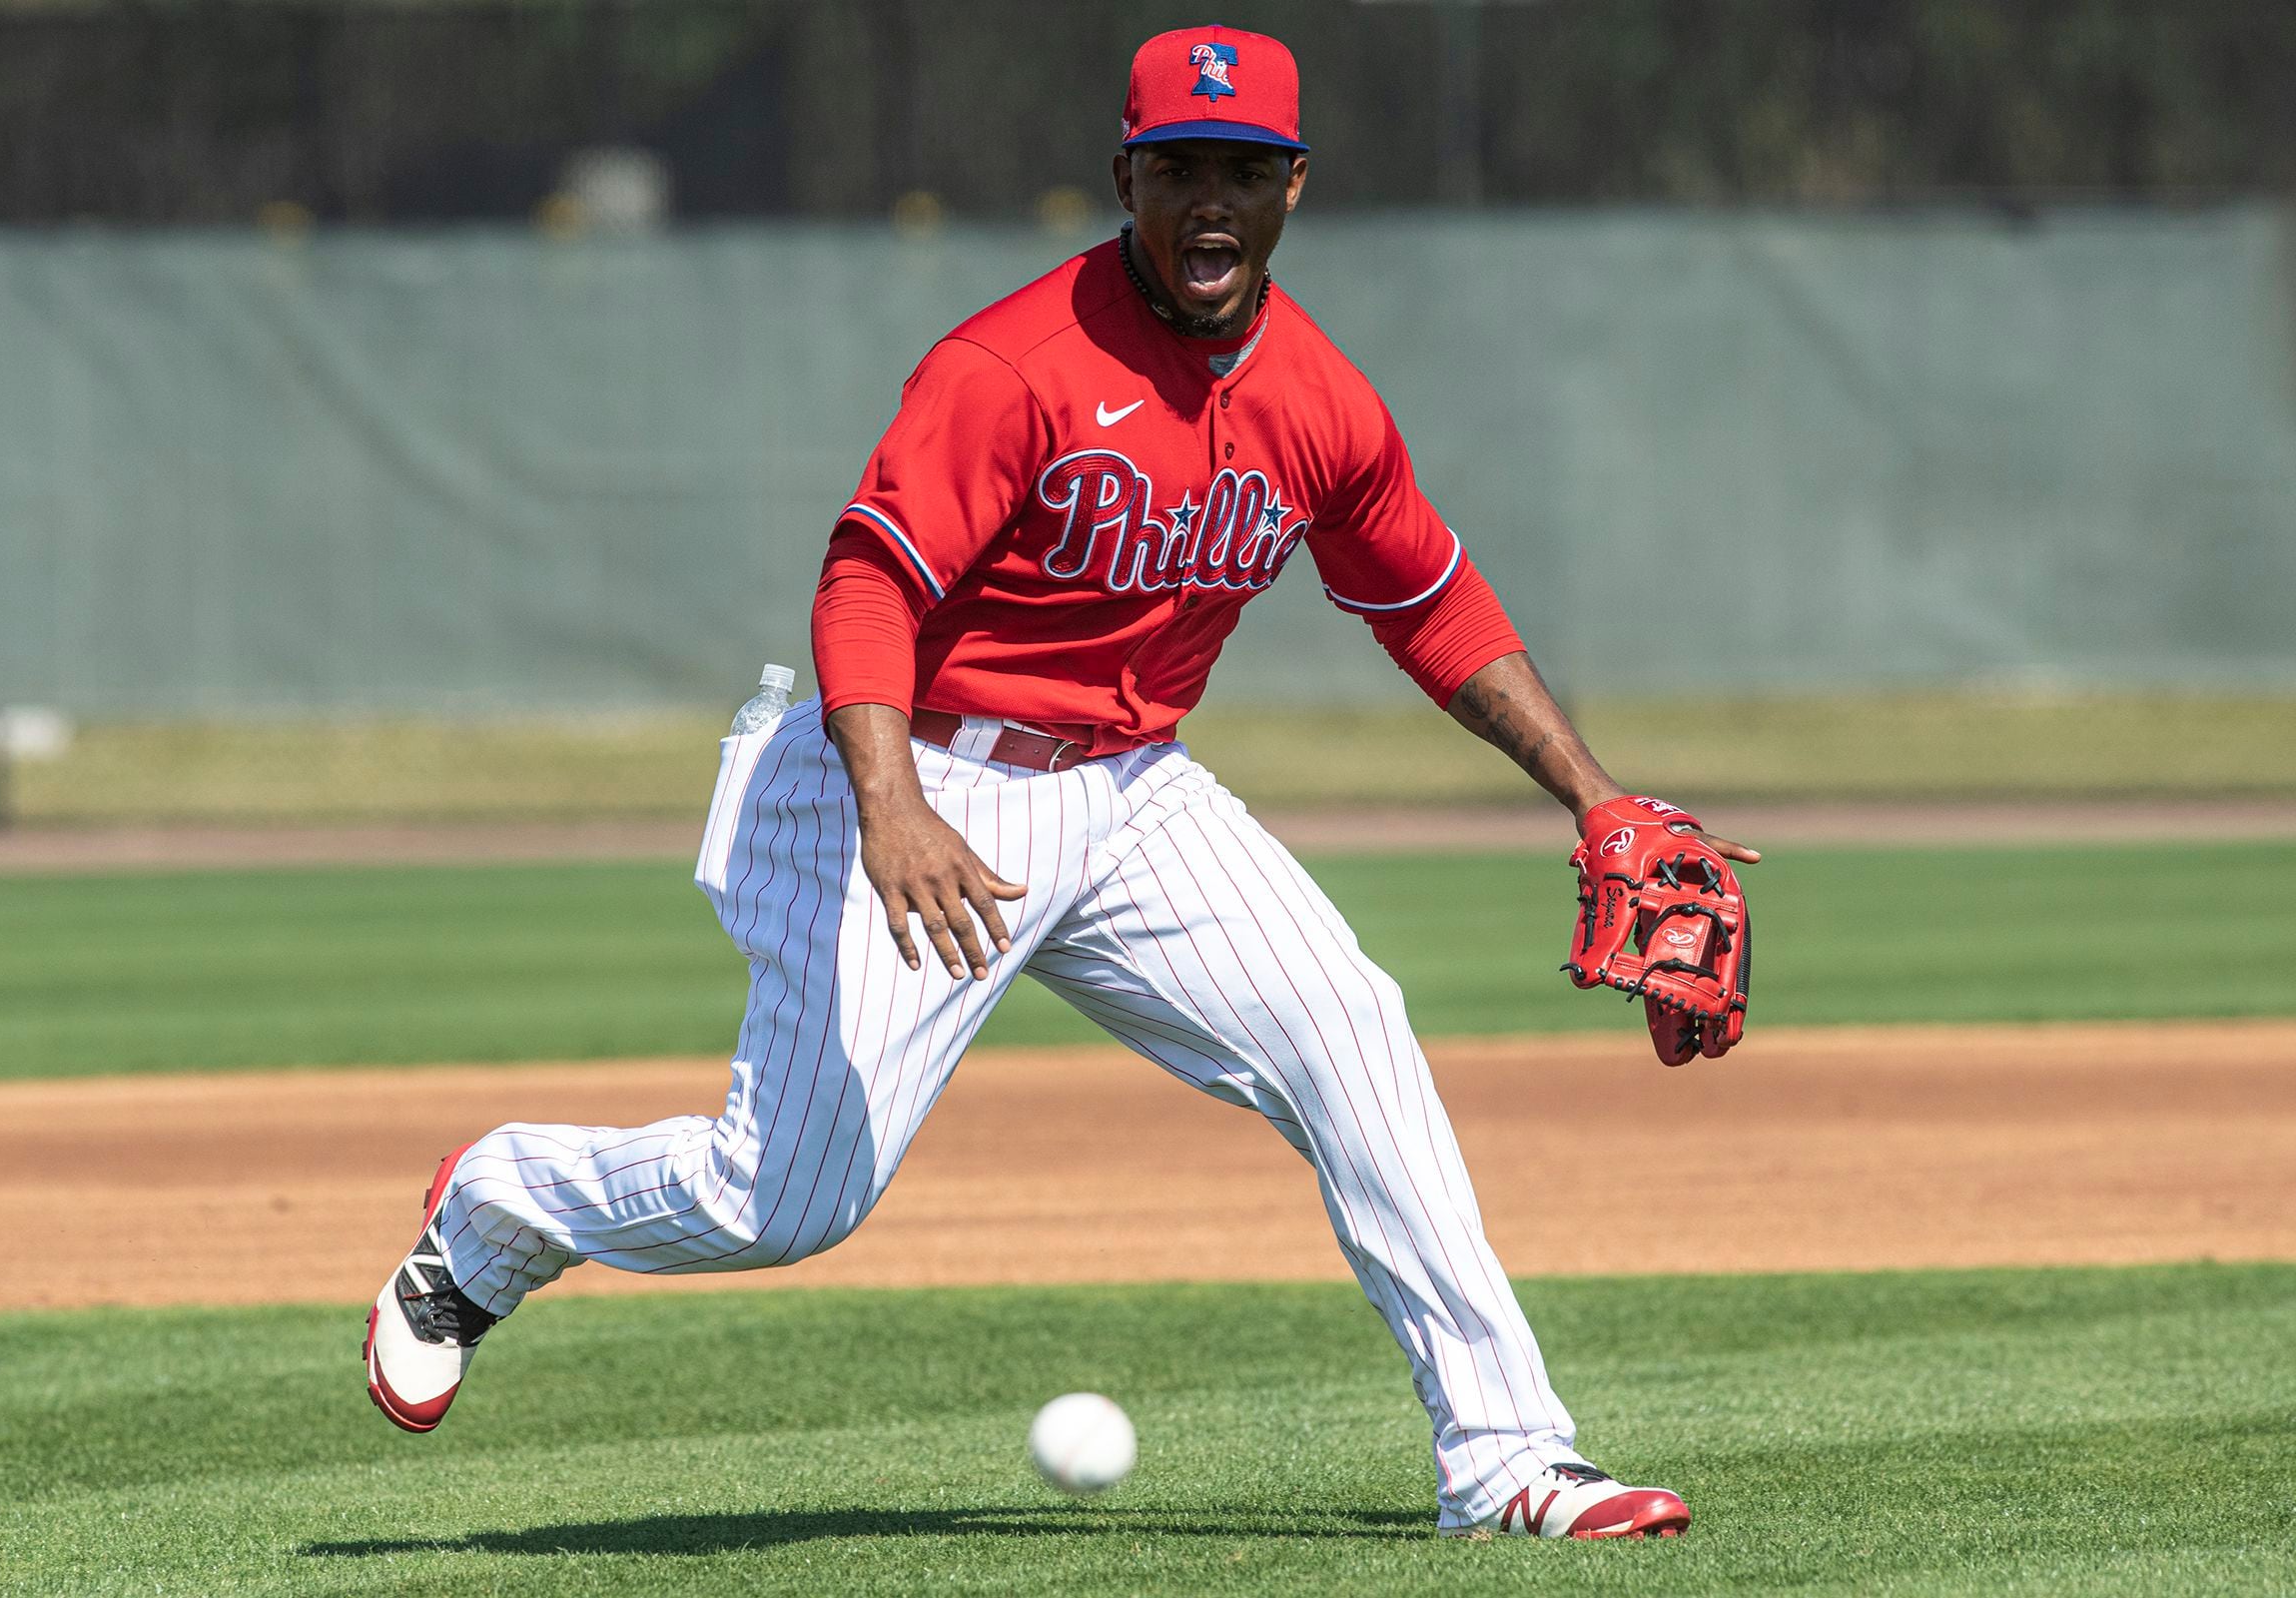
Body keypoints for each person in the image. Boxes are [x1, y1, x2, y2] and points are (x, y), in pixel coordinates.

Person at [364, 24, 1757, 1541]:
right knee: (786, 1198)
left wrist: (1594, 794)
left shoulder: (1321, 403)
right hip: (906, 768)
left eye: (1242, 172)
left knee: (1354, 1031)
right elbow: (865, 585)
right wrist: (892, 805)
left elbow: (1430, 604)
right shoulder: (1017, 365)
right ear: (1125, 180)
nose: (1209, 205)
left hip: (1132, 792)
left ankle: (1508, 1464)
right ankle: (502, 1207)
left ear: (1295, 187)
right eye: (1178, 173)